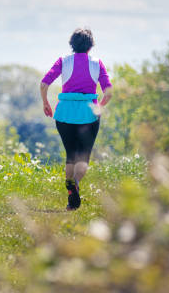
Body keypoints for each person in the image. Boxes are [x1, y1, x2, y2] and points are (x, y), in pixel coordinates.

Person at [40, 27, 113, 211]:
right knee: (83, 157)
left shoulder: (63, 61)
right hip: (88, 113)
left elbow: (44, 83)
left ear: (72, 44)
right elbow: (109, 92)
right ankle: (75, 184)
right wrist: (99, 107)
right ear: (91, 45)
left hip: (64, 113)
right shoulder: (97, 63)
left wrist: (46, 103)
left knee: (71, 155)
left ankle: (71, 191)